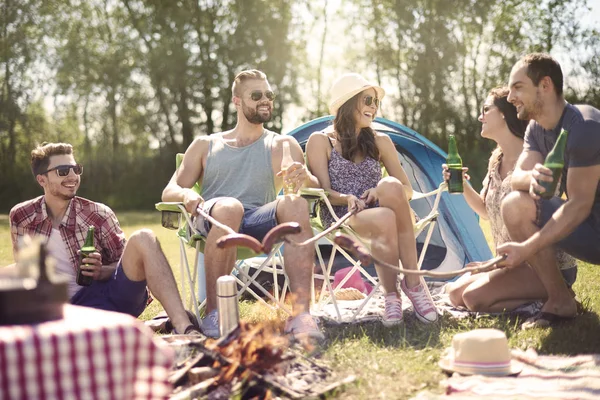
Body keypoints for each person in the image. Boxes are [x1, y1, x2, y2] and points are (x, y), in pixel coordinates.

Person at [161, 69, 324, 341]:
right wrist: (187, 196)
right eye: (256, 95)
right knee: (230, 207)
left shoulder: (282, 144)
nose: (265, 100)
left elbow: (316, 188)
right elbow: (170, 190)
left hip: (259, 224)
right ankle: (215, 314)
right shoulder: (205, 144)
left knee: (294, 204)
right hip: (212, 222)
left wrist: (305, 177)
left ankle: (300, 315)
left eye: (269, 95)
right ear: (237, 101)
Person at [10, 142, 199, 335]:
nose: (73, 176)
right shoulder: (22, 217)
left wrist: (101, 271)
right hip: (58, 309)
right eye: (63, 171)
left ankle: (184, 325)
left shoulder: (98, 214)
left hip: (105, 296)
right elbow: (25, 271)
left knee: (144, 237)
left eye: (76, 169)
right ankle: (146, 326)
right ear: (42, 180)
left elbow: (128, 266)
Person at [305, 73, 438, 326]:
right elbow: (324, 192)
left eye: (376, 102)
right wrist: (347, 198)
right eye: (368, 100)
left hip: (386, 209)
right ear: (348, 102)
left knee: (389, 184)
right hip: (342, 214)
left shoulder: (381, 142)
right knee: (384, 215)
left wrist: (379, 191)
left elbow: (406, 190)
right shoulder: (320, 141)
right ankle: (393, 293)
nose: (373, 107)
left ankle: (412, 283)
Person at [443, 87, 577, 312]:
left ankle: (559, 294)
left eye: (486, 109)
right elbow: (485, 211)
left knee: (474, 298)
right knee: (456, 294)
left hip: (543, 265)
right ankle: (534, 299)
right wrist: (463, 185)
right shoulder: (496, 160)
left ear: (505, 112)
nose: (480, 116)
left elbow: (545, 214)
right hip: (510, 264)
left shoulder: (537, 159)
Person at [498, 53, 600, 328]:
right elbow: (516, 177)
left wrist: (525, 249)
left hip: (588, 220)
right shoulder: (535, 129)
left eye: (517, 87)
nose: (510, 97)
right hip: (591, 229)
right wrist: (532, 177)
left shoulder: (585, 126)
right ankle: (560, 301)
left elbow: (578, 205)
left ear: (545, 85)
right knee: (514, 204)